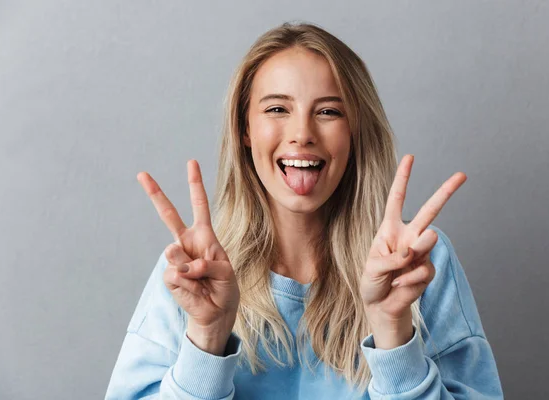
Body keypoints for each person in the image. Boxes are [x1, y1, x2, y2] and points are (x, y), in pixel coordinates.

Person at [105, 22, 503, 399]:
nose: (302, 134)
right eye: (277, 109)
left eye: (329, 111)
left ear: (356, 130)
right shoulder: (192, 273)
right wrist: (207, 338)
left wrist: (393, 333)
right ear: (245, 128)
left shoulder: (417, 263)